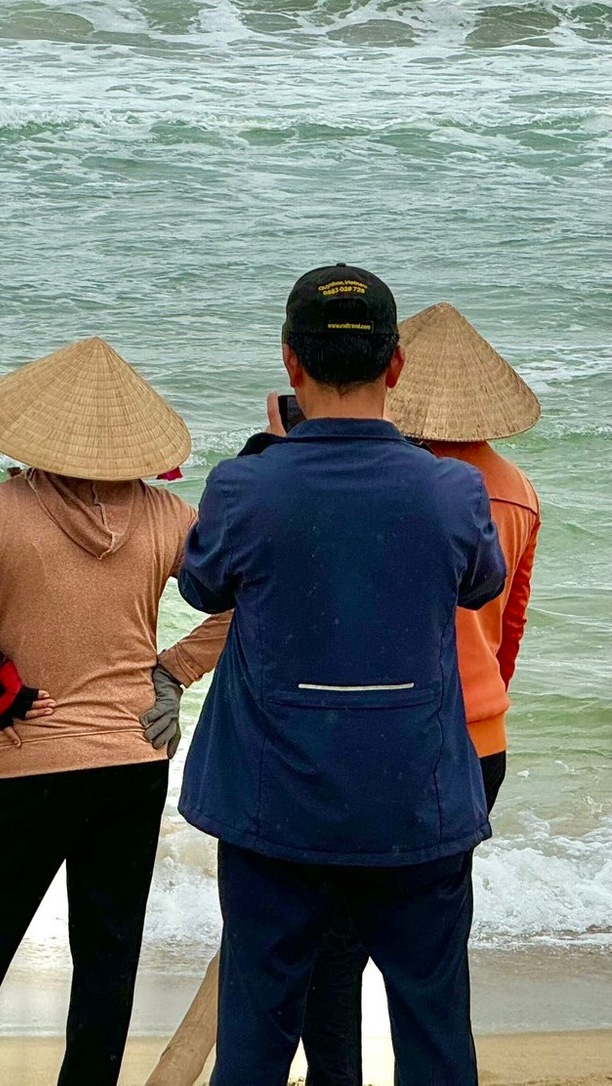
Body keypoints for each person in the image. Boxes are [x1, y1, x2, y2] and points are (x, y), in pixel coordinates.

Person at [178, 264, 506, 1086]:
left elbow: (201, 584)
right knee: (434, 1029)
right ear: (396, 367)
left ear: (290, 363)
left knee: (255, 1034)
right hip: (415, 801)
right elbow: (482, 581)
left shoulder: (246, 485)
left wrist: (272, 455)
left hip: (274, 805)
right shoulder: (452, 489)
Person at [0, 337, 231, 1086]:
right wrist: (174, 672)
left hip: (27, 766)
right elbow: (251, 596)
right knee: (106, 961)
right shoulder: (170, 515)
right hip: (131, 765)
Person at [298, 301, 543, 1086]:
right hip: (476, 742)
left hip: (380, 739)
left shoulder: (387, 486)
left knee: (330, 958)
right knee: (430, 961)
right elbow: (510, 632)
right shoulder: (514, 490)